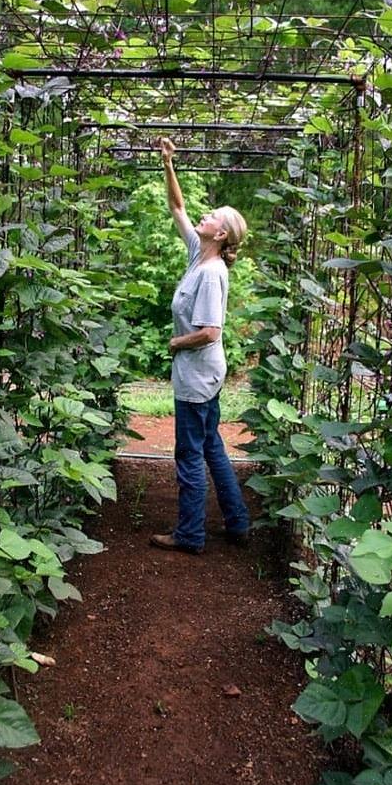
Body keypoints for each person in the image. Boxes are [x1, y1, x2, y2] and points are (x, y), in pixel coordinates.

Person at [150, 137, 250, 555]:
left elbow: (211, 331)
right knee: (211, 445)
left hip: (197, 375)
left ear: (221, 232)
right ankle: (238, 522)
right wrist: (169, 164)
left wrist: (175, 341)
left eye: (212, 216)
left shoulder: (211, 274)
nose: (203, 216)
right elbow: (178, 208)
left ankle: (190, 533)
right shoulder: (199, 253)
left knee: (189, 454)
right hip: (204, 375)